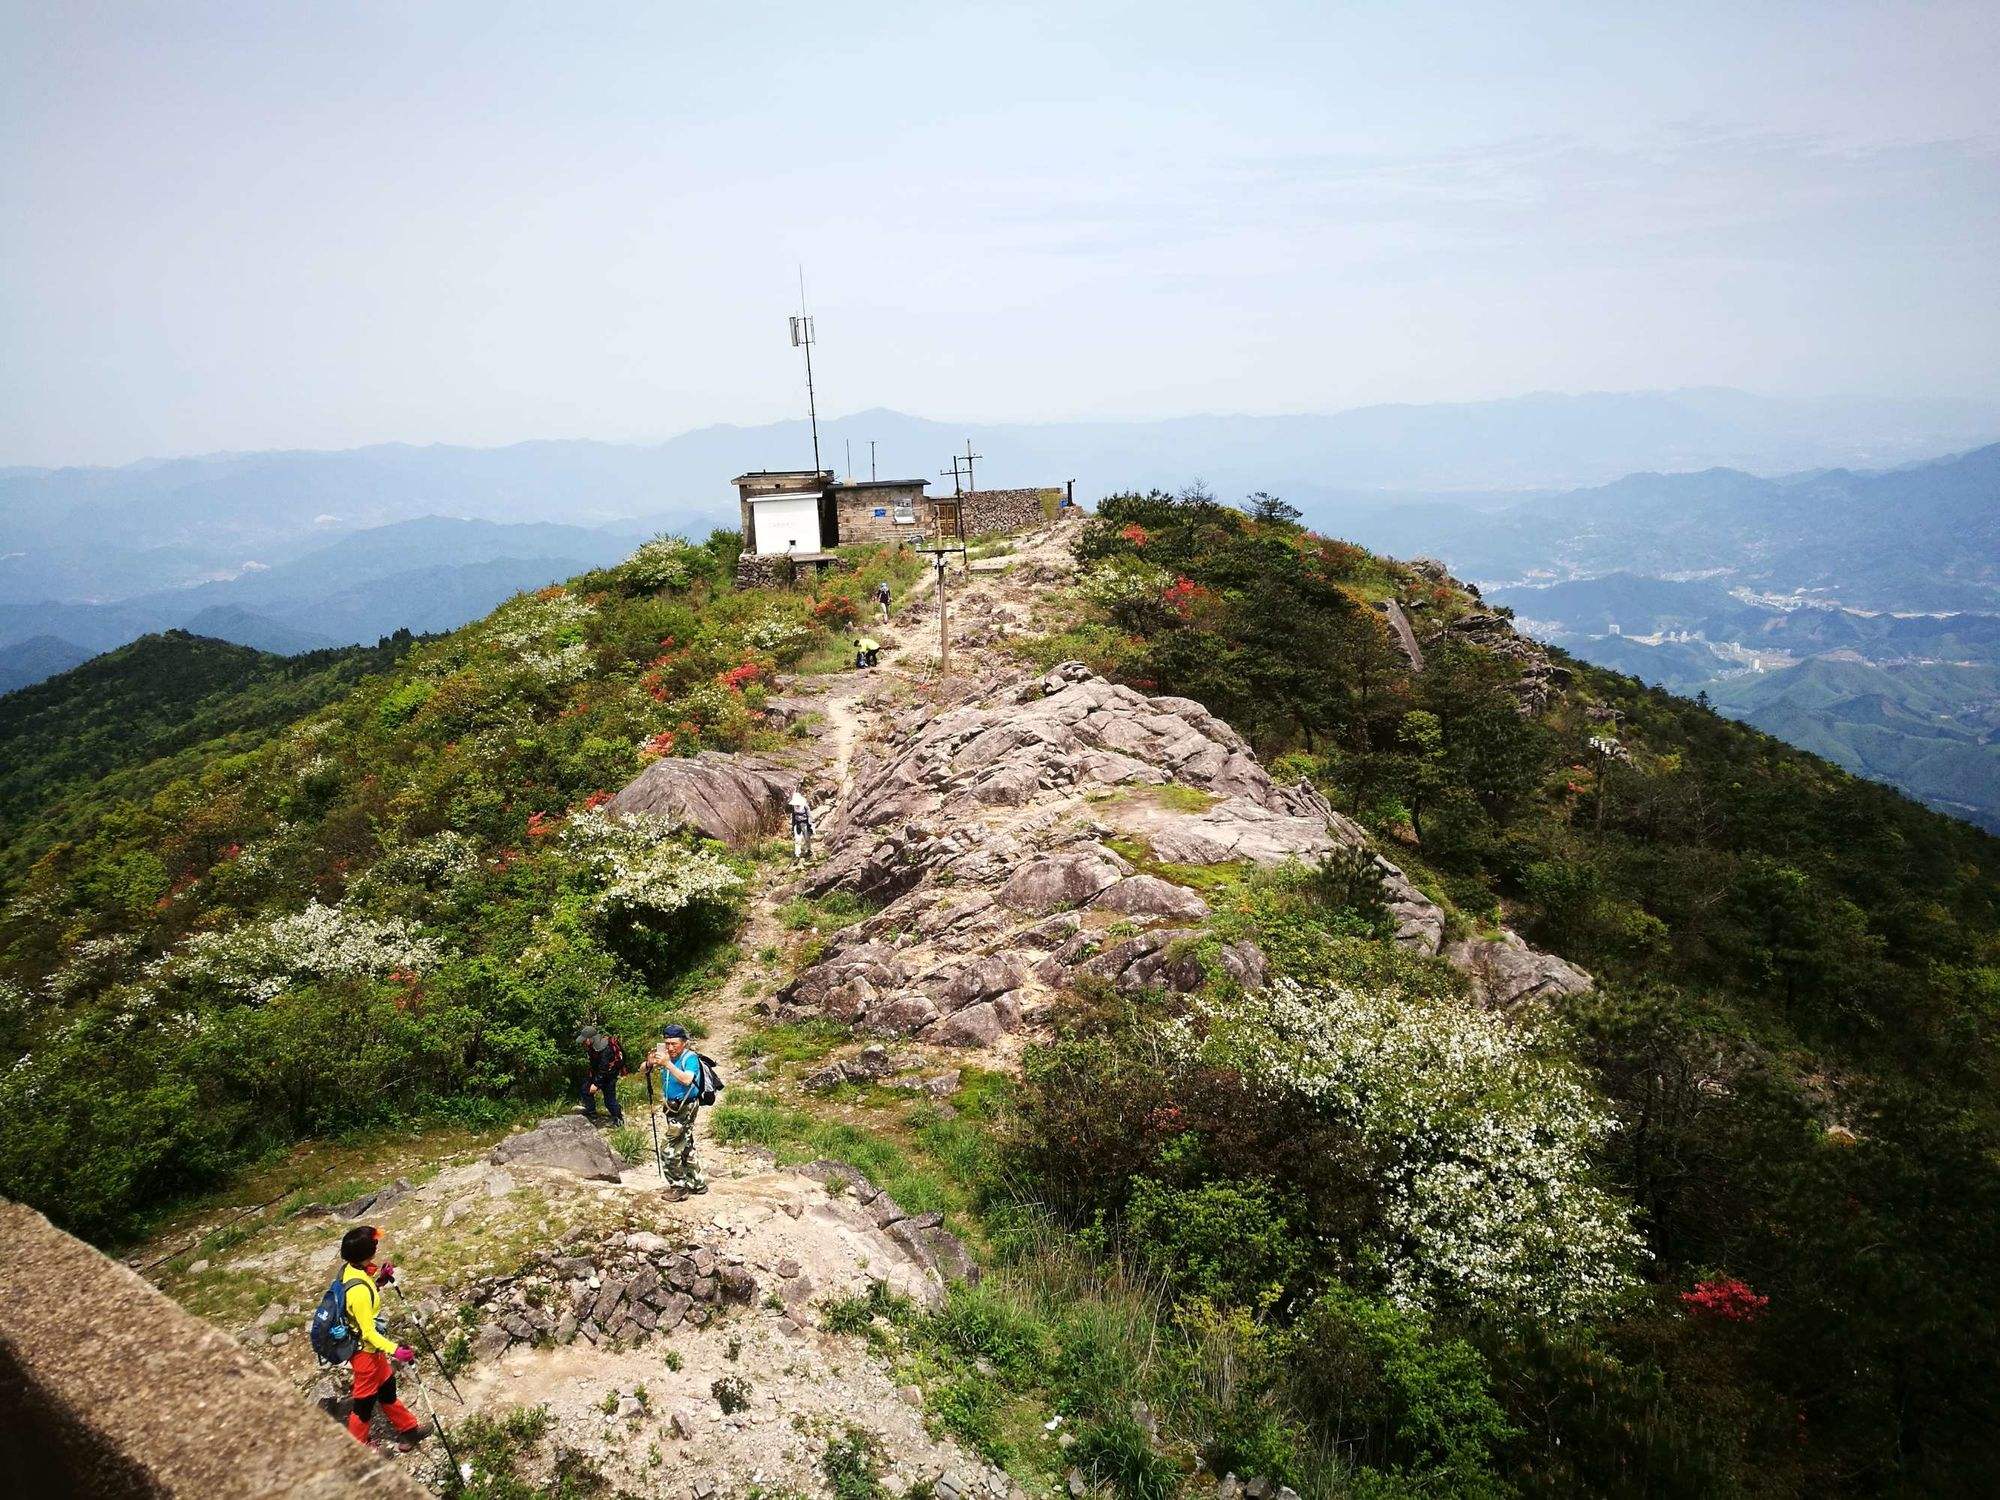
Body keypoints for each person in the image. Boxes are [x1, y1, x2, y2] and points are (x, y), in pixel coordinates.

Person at [337, 1224, 425, 1451]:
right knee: (364, 1405)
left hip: (373, 1353)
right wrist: (395, 1350)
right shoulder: (357, 1291)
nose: (377, 1245)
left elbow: (366, 1293)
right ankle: (359, 1448)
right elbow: (368, 1332)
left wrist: (380, 1281)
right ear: (367, 1251)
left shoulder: (353, 1270)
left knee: (388, 1390)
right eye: (374, 1243)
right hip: (365, 1356)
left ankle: (409, 1431)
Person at [644, 1023, 707, 1195]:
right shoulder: (666, 1056)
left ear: (684, 1042)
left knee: (668, 1147)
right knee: (685, 1145)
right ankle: (697, 1184)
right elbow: (643, 1069)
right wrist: (650, 1063)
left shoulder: (690, 1058)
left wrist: (667, 1064)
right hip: (672, 1107)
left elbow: (687, 1079)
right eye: (667, 1043)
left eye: (674, 1044)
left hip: (685, 1106)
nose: (670, 1047)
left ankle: (678, 1187)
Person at [577, 1026, 626, 1126]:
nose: (583, 1043)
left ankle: (619, 1119)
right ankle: (591, 1114)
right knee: (584, 1089)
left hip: (609, 1077)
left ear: (590, 1038)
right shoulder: (593, 1047)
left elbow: (603, 1070)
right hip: (599, 1075)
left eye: (584, 1040)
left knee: (609, 1101)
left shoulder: (605, 1048)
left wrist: (595, 1084)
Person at [788, 789, 814, 862]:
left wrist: (810, 825)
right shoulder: (794, 808)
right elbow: (793, 817)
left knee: (807, 838)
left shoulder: (805, 806)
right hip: (797, 824)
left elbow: (809, 816)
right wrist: (793, 827)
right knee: (797, 840)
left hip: (805, 824)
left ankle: (808, 850)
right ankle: (797, 854)